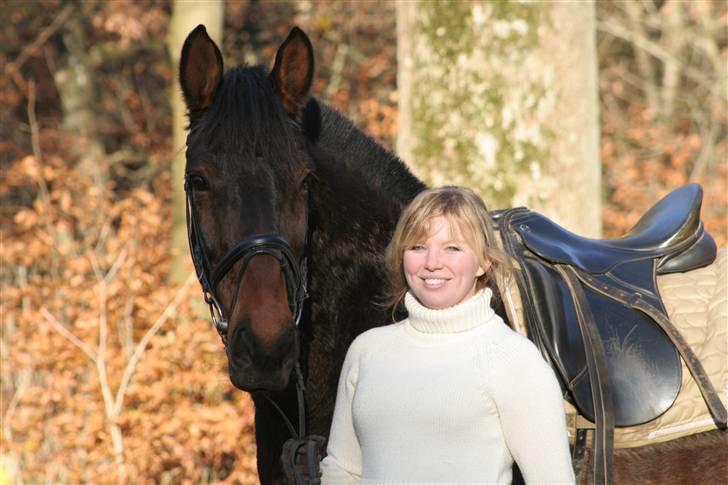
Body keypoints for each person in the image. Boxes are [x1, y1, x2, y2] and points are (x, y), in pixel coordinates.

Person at [320, 186, 575, 484]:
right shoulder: (366, 351)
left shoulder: (516, 361)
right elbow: (343, 469)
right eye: (417, 247)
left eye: (452, 248)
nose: (431, 263)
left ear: (483, 262)